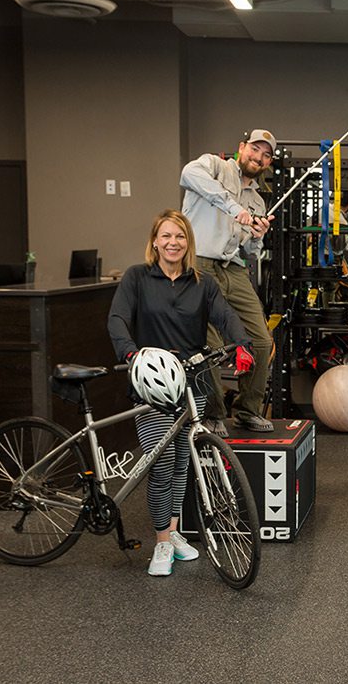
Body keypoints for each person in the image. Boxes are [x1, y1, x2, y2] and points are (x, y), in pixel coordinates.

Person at [108, 210, 253, 577]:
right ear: (155, 241)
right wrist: (130, 352)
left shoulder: (203, 283)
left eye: (181, 237)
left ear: (189, 243)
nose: (173, 243)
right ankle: (161, 541)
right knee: (161, 464)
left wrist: (242, 344)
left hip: (193, 383)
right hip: (152, 383)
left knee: (181, 462)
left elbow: (225, 315)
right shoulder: (137, 278)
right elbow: (117, 319)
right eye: (167, 236)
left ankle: (172, 534)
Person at [179, 128, 277, 436]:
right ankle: (213, 413)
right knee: (212, 343)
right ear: (242, 147)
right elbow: (187, 173)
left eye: (266, 155)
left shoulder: (259, 202)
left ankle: (248, 411)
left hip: (233, 268)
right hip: (199, 263)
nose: (258, 157)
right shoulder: (213, 166)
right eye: (255, 149)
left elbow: (248, 250)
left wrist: (258, 238)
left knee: (261, 340)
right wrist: (234, 208)